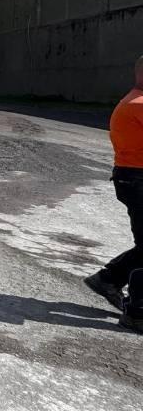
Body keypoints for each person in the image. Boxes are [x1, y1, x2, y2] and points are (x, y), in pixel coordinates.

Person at [85, 55, 143, 333]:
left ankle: (108, 279)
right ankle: (136, 312)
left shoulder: (132, 100)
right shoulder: (139, 105)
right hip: (137, 180)